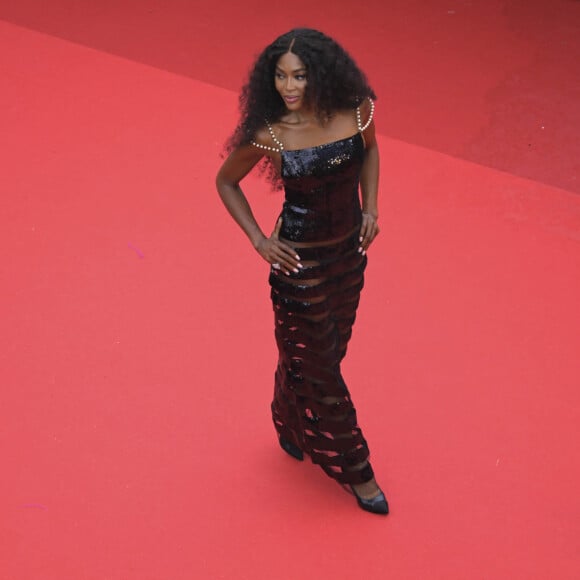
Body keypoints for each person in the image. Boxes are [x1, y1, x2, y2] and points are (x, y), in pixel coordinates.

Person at [216, 28, 388, 515]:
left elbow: (372, 151)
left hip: (348, 258)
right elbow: (225, 181)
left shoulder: (358, 112)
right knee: (323, 371)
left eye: (299, 75)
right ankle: (359, 471)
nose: (288, 87)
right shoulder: (271, 135)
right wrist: (258, 239)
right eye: (279, 76)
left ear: (323, 74)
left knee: (322, 354)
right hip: (299, 265)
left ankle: (288, 418)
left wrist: (371, 207)